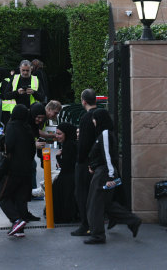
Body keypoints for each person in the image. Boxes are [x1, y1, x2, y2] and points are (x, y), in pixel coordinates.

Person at [84, 108, 141, 244]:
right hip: (105, 172)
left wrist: (109, 176)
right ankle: (132, 220)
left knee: (95, 204)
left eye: (94, 118)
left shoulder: (104, 134)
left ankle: (97, 235)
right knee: (106, 204)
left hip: (104, 175)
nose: (93, 121)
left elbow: (108, 156)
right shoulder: (107, 133)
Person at [0, 104, 37, 238]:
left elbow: (8, 146)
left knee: (3, 197)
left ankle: (16, 220)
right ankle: (20, 229)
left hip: (12, 169)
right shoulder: (28, 128)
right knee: (20, 199)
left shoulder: (11, 126)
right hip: (27, 170)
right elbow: (33, 149)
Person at [71, 88, 98, 236]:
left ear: (83, 101)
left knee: (81, 194)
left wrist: (80, 160)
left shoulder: (86, 118)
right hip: (97, 161)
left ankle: (85, 225)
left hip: (85, 162)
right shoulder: (101, 115)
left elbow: (83, 144)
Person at [52, 122, 79, 223]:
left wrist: (58, 157)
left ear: (66, 134)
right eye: (56, 133)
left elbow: (66, 165)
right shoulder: (71, 143)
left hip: (68, 177)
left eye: (59, 134)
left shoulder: (69, 145)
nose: (57, 136)